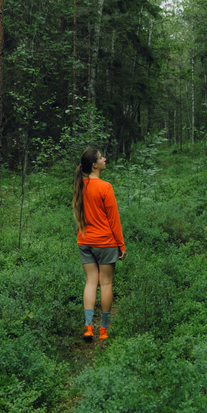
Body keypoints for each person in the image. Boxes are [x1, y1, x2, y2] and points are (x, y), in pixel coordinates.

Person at [73, 145, 125, 341]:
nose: (105, 160)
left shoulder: (80, 185)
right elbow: (114, 220)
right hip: (105, 242)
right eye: (102, 158)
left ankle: (88, 327)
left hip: (85, 241)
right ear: (94, 165)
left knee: (90, 283)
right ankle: (103, 329)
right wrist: (121, 245)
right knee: (106, 283)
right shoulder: (105, 187)